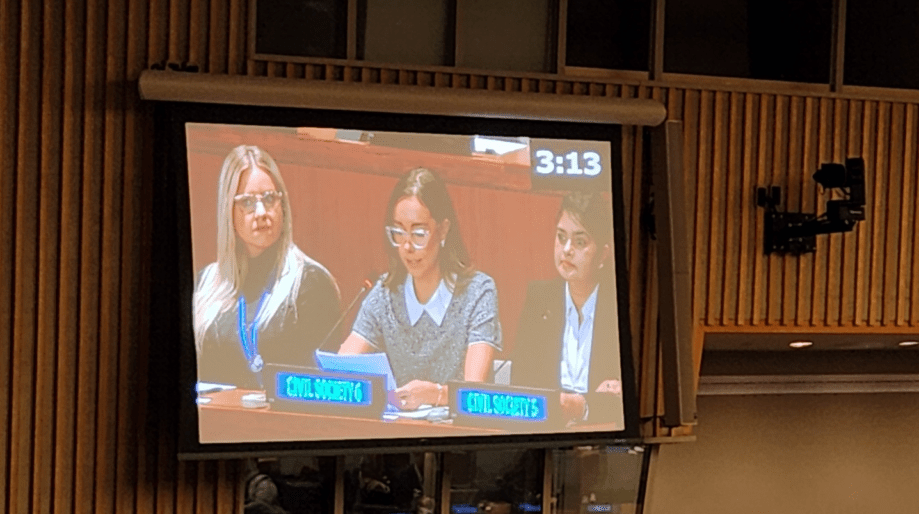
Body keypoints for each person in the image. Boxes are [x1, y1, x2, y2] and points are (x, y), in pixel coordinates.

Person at [337, 167, 501, 411]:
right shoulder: (384, 293)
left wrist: (434, 394)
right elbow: (341, 369)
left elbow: (473, 393)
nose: (407, 246)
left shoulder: (478, 292)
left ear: (443, 230)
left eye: (419, 233)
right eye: (399, 232)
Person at [193, 145, 343, 389]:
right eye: (248, 202)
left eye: (270, 198)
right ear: (228, 211)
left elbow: (320, 383)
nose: (261, 212)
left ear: (282, 205)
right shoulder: (205, 284)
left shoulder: (311, 284)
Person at [512, 191, 622, 425]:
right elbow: (521, 384)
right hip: (545, 432)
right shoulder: (539, 298)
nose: (567, 249)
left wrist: (583, 407)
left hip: (606, 440)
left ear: (603, 253)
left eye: (580, 241)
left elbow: (622, 400)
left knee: (617, 455)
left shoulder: (616, 306)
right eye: (561, 237)